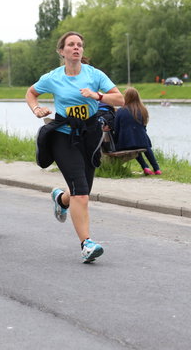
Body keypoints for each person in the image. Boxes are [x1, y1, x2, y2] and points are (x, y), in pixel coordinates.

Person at [26, 31, 124, 263]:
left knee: (82, 190)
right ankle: (86, 244)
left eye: (79, 44)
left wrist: (97, 95)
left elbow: (120, 99)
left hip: (89, 135)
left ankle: (61, 200)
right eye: (71, 45)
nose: (76, 48)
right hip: (63, 135)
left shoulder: (94, 74)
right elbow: (31, 92)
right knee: (81, 191)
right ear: (62, 51)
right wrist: (36, 108)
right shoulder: (53, 77)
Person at [114, 87, 161, 175]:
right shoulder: (143, 110)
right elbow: (144, 127)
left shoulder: (121, 111)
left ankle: (145, 167)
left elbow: (116, 129)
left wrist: (115, 141)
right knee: (146, 147)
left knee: (133, 146)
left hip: (126, 142)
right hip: (142, 139)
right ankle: (157, 168)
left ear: (127, 97)